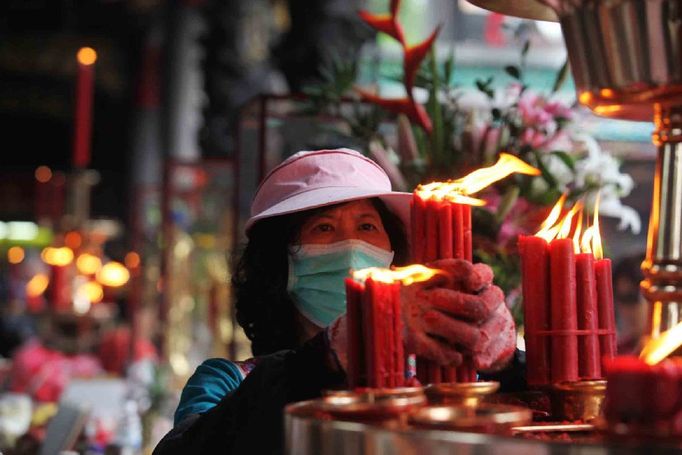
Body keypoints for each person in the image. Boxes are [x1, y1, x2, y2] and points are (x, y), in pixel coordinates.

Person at [152, 148, 517, 454]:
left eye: (367, 226)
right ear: (279, 262)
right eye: (324, 228)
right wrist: (330, 354)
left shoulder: (445, 374)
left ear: (393, 254)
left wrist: (506, 361)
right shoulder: (227, 382)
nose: (352, 247)